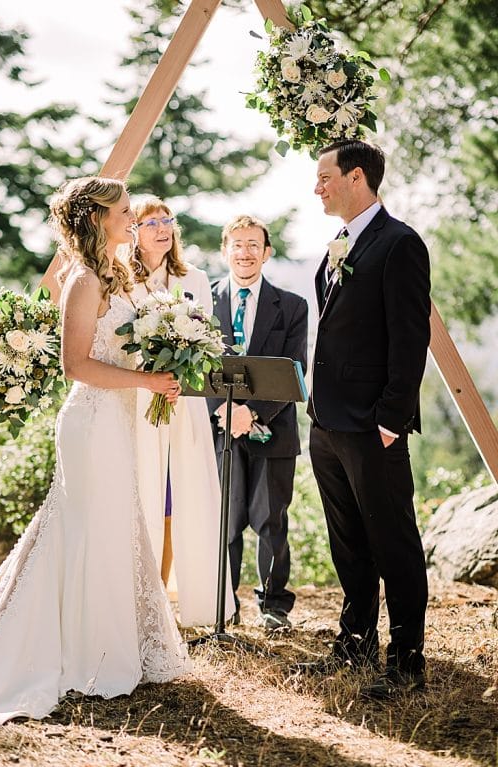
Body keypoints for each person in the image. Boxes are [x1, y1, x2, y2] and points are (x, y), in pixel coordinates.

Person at [0, 177, 190, 728]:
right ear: (99, 219)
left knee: (115, 523)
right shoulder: (82, 280)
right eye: (124, 211)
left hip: (118, 419)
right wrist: (146, 380)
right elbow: (75, 365)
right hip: (92, 420)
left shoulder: (121, 274)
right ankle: (91, 652)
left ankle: (118, 640)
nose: (133, 218)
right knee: (90, 527)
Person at [307, 139, 431, 698]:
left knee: (393, 542)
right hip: (329, 424)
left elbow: (410, 340)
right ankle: (354, 645)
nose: (318, 188)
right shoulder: (339, 242)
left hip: (371, 426)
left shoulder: (400, 244)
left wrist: (390, 419)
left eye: (324, 176)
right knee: (349, 543)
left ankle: (406, 664)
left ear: (356, 177)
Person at [126, 195, 235, 627]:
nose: (162, 228)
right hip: (138, 403)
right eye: (151, 222)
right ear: (132, 231)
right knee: (144, 492)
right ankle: (140, 597)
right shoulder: (122, 282)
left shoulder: (195, 278)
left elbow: (206, 342)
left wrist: (178, 371)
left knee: (178, 496)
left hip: (183, 405)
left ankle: (179, 599)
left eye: (167, 221)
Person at [207, 215, 308, 631]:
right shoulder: (202, 304)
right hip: (218, 428)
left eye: (253, 245)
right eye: (237, 244)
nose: (245, 252)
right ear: (224, 250)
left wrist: (254, 411)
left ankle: (273, 607)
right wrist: (224, 408)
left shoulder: (292, 306)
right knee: (224, 521)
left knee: (270, 521)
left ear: (266, 253)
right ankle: (222, 604)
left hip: (274, 427)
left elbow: (294, 369)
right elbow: (192, 365)